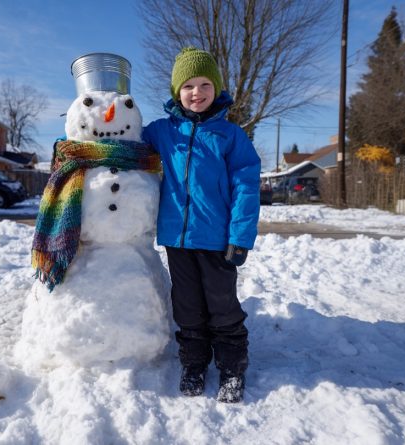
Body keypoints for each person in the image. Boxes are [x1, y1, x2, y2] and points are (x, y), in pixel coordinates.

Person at [142, 47, 261, 403]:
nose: (197, 92)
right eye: (189, 85)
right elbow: (126, 146)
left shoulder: (230, 136)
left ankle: (231, 367)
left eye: (205, 84)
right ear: (177, 91)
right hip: (178, 239)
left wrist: (240, 236)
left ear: (217, 88)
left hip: (218, 239)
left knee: (222, 304)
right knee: (188, 305)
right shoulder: (162, 132)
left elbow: (246, 186)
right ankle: (193, 364)